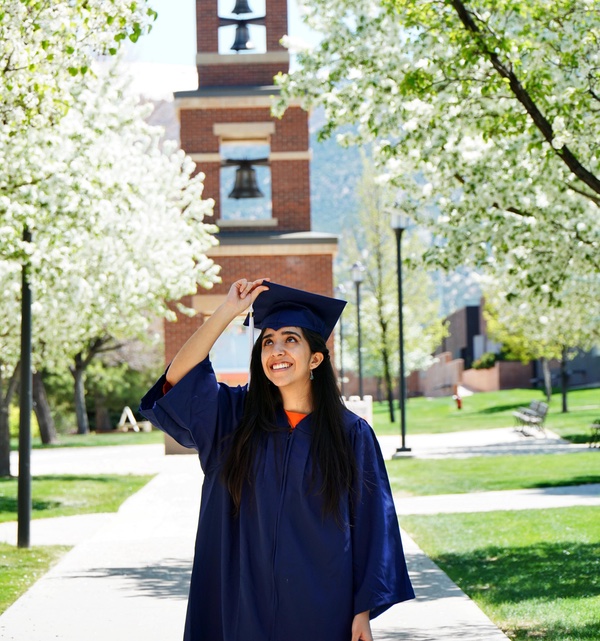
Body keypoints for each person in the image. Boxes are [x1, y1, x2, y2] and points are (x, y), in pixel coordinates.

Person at [139, 278, 414, 641]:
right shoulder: (234, 419)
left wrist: (362, 611)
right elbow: (179, 378)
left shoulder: (351, 434)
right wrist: (227, 312)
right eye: (267, 341)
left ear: (315, 358)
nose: (276, 350)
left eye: (290, 340)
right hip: (239, 600)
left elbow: (373, 526)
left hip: (319, 604)